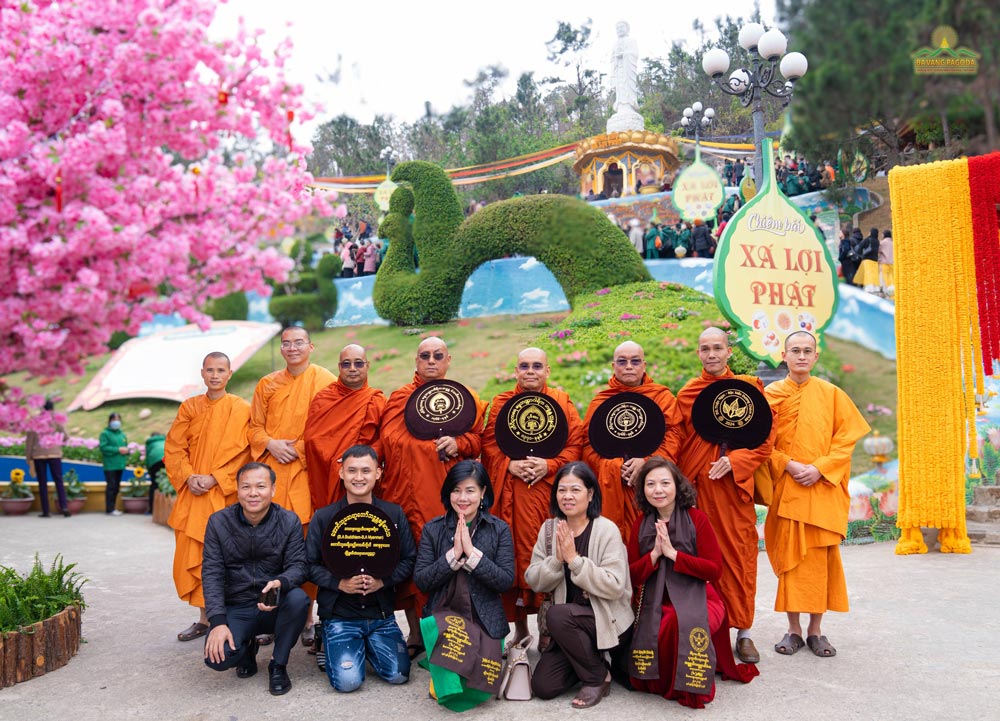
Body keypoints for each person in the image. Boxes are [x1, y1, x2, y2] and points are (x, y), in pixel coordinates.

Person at [759, 331, 870, 658]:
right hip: (788, 486)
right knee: (791, 560)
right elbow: (762, 443)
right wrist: (789, 465)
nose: (802, 356)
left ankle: (815, 630)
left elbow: (845, 441)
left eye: (808, 351)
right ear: (784, 355)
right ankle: (793, 629)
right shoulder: (771, 396)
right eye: (796, 350)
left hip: (821, 487)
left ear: (816, 356)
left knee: (820, 559)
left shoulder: (831, 394)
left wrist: (820, 468)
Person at [376, 337, 487, 657]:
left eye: (438, 356)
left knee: (446, 560)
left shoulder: (465, 400)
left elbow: (479, 440)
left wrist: (460, 443)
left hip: (441, 496)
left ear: (448, 360)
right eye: (425, 356)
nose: (431, 361)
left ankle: (450, 630)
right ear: (416, 361)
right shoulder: (399, 398)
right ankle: (414, 632)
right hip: (400, 493)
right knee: (408, 564)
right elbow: (385, 441)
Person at [676, 328, 775, 664]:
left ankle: (744, 633)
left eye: (717, 348)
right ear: (698, 352)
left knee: (739, 557)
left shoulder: (749, 390)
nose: (712, 354)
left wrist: (735, 461)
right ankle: (707, 632)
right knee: (700, 560)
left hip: (733, 493)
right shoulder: (689, 393)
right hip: (698, 493)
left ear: (728, 351)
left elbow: (764, 441)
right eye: (705, 349)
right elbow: (679, 441)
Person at [627, 457, 758, 708]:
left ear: (677, 485)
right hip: (658, 599)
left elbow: (715, 569)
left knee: (679, 622)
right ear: (643, 489)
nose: (658, 490)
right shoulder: (640, 525)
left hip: (700, 596)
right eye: (650, 484)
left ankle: (685, 686)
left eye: (665, 483)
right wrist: (654, 554)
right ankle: (661, 683)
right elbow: (633, 576)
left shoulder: (697, 519)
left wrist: (674, 555)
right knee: (663, 622)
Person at [482, 347, 583, 646]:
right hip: (511, 497)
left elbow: (576, 444)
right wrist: (508, 463)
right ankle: (521, 631)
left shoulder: (561, 402)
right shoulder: (502, 403)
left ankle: (549, 630)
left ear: (547, 371)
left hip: (548, 497)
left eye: (537, 366)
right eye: (524, 366)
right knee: (511, 562)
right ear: (515, 371)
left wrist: (549, 465)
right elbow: (488, 443)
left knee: (551, 558)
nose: (530, 371)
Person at [250, 326, 336, 644]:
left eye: (298, 342)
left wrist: (297, 449)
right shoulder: (267, 384)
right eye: (286, 343)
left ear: (310, 346)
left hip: (305, 474)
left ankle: (308, 618)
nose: (292, 348)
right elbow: (254, 428)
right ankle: (270, 615)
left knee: (305, 548)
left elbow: (329, 427)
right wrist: (271, 444)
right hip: (272, 475)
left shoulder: (324, 379)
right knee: (270, 550)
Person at [306, 445, 416, 692]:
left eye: (366, 471)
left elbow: (409, 559)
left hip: (380, 616)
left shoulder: (393, 514)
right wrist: (338, 583)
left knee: (398, 675)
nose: (359, 477)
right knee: (348, 683)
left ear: (378, 473)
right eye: (352, 470)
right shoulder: (323, 517)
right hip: (340, 616)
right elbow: (308, 565)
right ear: (341, 473)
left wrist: (383, 581)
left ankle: (366, 646)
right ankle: (332, 640)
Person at [524, 462, 633, 709]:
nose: (567, 496)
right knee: (543, 686)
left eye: (575, 490)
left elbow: (616, 586)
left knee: (559, 615)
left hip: (606, 620)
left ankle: (597, 677)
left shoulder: (607, 530)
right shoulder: (550, 529)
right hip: (567, 628)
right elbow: (532, 578)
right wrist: (557, 561)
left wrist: (574, 561)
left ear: (590, 493)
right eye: (561, 490)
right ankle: (595, 661)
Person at [413, 460, 514, 712]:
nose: (462, 498)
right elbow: (422, 580)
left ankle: (442, 665)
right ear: (448, 494)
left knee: (477, 687)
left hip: (485, 618)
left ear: (482, 494)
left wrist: (472, 555)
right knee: (449, 691)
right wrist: (452, 557)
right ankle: (440, 667)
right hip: (445, 612)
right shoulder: (433, 529)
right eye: (456, 490)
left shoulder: (499, 529)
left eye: (470, 490)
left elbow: (505, 580)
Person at [165, 351, 252, 642]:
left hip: (225, 494)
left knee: (229, 557)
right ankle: (205, 618)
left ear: (230, 375)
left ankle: (234, 619)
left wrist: (216, 477)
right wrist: (189, 476)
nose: (215, 375)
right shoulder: (190, 407)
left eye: (221, 370)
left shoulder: (241, 409)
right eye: (210, 370)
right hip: (194, 493)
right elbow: (175, 448)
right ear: (202, 373)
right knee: (199, 557)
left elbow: (245, 452)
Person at [202, 462, 310, 696]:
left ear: (272, 490)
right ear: (237, 490)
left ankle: (278, 664)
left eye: (260, 486)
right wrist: (218, 622)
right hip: (237, 605)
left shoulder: (289, 521)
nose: (253, 493)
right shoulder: (218, 522)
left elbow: (299, 566)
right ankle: (246, 649)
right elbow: (211, 573)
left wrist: (280, 581)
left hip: (273, 605)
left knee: (299, 599)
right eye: (246, 487)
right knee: (218, 659)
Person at [582, 341, 685, 538]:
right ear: (613, 366)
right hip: (616, 487)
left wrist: (647, 463)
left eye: (635, 361)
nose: (629, 366)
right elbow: (587, 445)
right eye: (622, 361)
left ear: (644, 365)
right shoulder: (601, 401)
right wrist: (614, 466)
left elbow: (675, 436)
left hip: (653, 489)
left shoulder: (661, 396)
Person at [304, 344, 386, 511]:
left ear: (367, 365)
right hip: (328, 472)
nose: (353, 369)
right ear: (339, 367)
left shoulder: (377, 400)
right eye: (346, 364)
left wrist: (359, 458)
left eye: (359, 363)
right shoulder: (323, 399)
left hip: (364, 475)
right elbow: (312, 439)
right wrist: (339, 461)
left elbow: (385, 439)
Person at [25, 399, 69, 518]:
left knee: (42, 483)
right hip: (54, 454)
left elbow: (30, 441)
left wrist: (28, 457)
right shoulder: (57, 420)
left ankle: (46, 511)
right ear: (52, 408)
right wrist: (56, 444)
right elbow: (66, 436)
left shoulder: (34, 421)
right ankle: (64, 507)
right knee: (58, 481)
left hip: (38, 454)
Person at [99, 412, 128, 516]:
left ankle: (113, 507)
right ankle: (109, 508)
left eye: (118, 420)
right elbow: (103, 448)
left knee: (116, 486)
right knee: (111, 486)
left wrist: (125, 450)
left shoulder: (122, 434)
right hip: (110, 465)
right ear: (109, 421)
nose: (116, 422)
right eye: (114, 419)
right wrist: (118, 449)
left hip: (120, 464)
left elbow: (125, 446)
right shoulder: (105, 434)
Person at [144, 430, 166, 514]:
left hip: (155, 462)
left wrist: (150, 472)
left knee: (154, 485)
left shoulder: (150, 443)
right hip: (167, 459)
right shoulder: (164, 440)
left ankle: (151, 510)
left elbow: (148, 459)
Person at [878, 229, 894, 297]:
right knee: (892, 278)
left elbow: (878, 250)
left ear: (884, 235)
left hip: (884, 263)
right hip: (893, 263)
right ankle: (893, 292)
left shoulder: (882, 242)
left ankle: (887, 293)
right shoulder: (893, 242)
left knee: (885, 279)